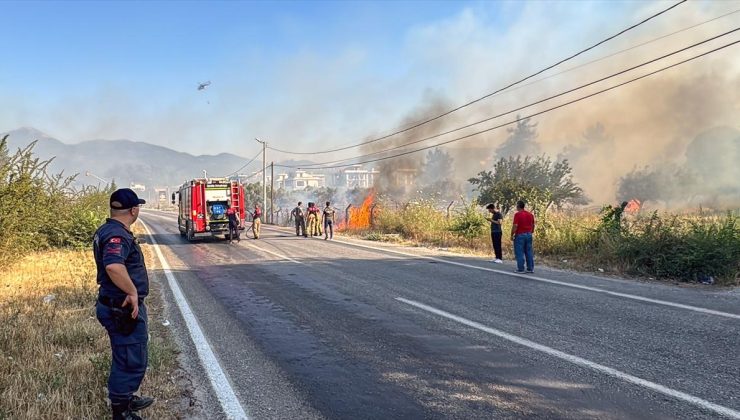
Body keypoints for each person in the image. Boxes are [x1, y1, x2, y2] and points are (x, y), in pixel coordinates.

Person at [93, 188, 154, 420]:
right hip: (122, 307)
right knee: (130, 359)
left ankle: (125, 397)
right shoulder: (116, 235)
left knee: (126, 354)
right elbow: (113, 266)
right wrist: (132, 292)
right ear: (134, 210)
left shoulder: (108, 230)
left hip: (116, 304)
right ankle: (121, 411)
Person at [511, 200, 535, 273]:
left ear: (518, 206)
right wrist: (531, 231)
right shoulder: (530, 214)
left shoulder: (518, 214)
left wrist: (512, 234)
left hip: (520, 235)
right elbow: (533, 225)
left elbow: (515, 225)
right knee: (529, 251)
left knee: (519, 252)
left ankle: (521, 269)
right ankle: (530, 268)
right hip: (529, 234)